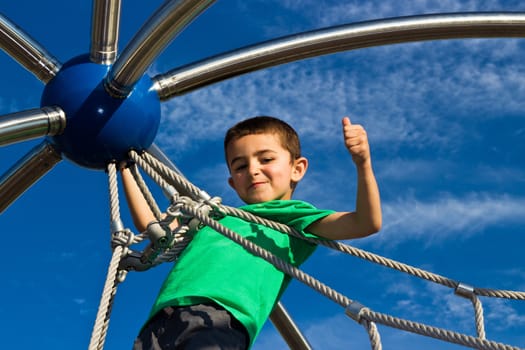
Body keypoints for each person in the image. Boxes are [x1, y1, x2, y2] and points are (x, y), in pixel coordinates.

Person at [122, 115, 382, 350]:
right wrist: (124, 166)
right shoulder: (214, 218)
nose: (253, 170)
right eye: (240, 166)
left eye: (266, 159)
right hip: (161, 320)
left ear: (297, 169)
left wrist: (363, 163)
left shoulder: (294, 217)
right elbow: (153, 227)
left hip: (221, 319)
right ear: (233, 183)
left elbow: (364, 223)